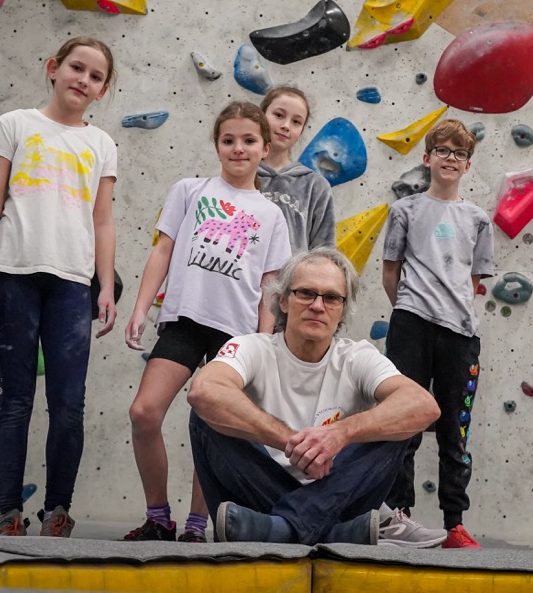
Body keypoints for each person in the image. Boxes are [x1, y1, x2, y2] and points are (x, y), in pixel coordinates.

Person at [186, 248, 447, 547]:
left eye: (332, 297)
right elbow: (204, 390)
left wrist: (339, 434)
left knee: (398, 420)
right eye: (306, 293)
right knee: (205, 413)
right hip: (258, 493)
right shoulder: (251, 348)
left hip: (318, 499)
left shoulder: (356, 356)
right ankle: (336, 534)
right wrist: (291, 442)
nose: (318, 306)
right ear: (283, 301)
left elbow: (423, 405)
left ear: (342, 308)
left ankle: (282, 529)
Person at [0, 36, 119, 537]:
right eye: (77, 67)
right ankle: (9, 512)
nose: (84, 79)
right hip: (12, 275)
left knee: (69, 404)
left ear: (102, 91)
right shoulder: (14, 124)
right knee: (15, 401)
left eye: (96, 77)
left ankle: (57, 511)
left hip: (73, 285)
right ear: (53, 67)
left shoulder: (101, 144)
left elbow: (103, 221)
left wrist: (105, 286)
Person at [121, 101, 292, 543]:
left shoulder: (271, 215)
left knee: (213, 429)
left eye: (249, 141)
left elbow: (271, 285)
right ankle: (159, 517)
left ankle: (198, 524)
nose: (238, 149)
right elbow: (161, 251)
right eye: (228, 140)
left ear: (265, 147)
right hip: (184, 321)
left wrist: (262, 343)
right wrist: (141, 308)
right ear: (216, 144)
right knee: (144, 412)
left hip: (234, 335)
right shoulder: (188, 191)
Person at [380, 119, 494, 549]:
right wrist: (408, 311)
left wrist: (451, 312)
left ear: (468, 165)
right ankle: (397, 515)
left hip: (460, 335)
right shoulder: (404, 210)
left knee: (455, 430)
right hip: (411, 326)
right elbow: (390, 273)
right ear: (427, 158)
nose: (450, 158)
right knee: (401, 424)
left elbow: (474, 281)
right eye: (442, 151)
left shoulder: (478, 219)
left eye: (459, 153)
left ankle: (454, 523)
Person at [257, 86, 336, 253]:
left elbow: (324, 251)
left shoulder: (314, 186)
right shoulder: (241, 174)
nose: (286, 126)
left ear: (301, 131)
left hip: (291, 278)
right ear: (261, 117)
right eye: (279, 115)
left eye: (296, 122)